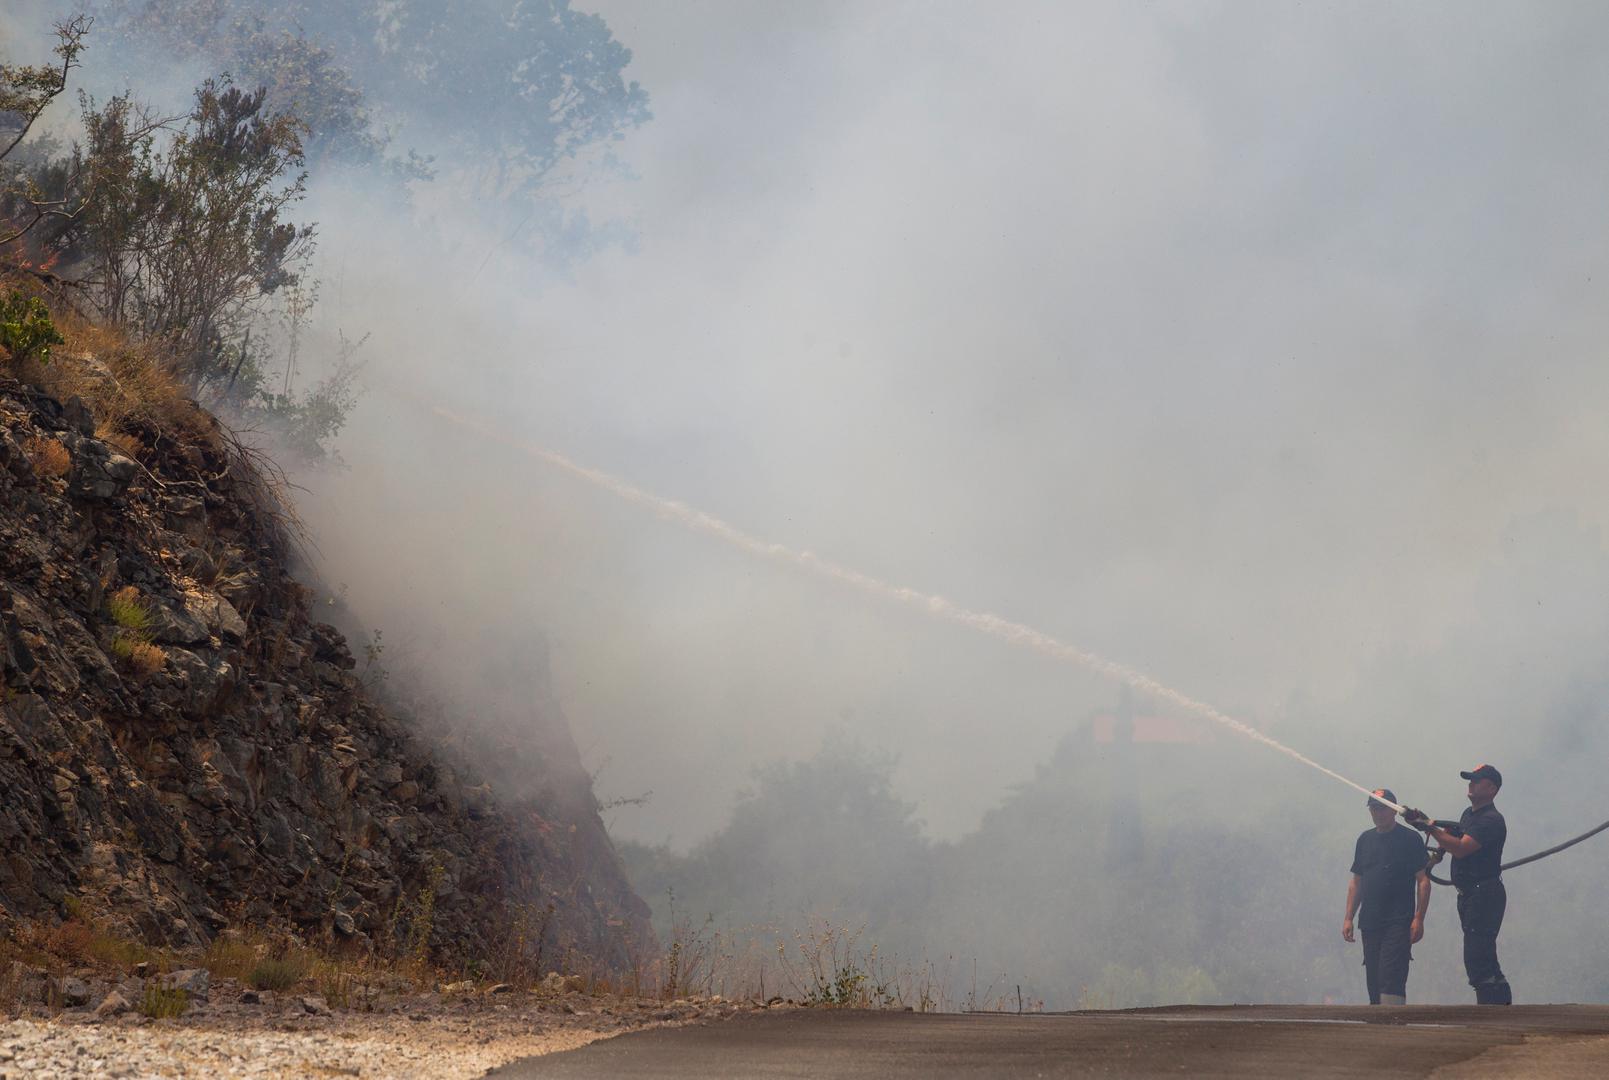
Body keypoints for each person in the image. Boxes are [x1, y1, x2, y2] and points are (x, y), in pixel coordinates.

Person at [1406, 765, 1511, 1005]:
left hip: (1484, 894)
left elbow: (1462, 848)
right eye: (1470, 780)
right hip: (1470, 895)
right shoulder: (1469, 815)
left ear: (1492, 788)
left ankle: (1491, 1011)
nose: (1471, 784)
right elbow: (1456, 838)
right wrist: (1430, 825)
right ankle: (1499, 1008)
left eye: (1477, 780)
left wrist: (1429, 828)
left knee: (1477, 956)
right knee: (1483, 955)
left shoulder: (1491, 820)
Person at [1342, 788, 1431, 1005]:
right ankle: (1376, 1022)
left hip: (1399, 921)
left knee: (1391, 976)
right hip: (1370, 921)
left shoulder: (1410, 839)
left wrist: (1419, 918)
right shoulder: (1365, 840)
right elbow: (1357, 882)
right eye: (1374, 809)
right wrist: (1348, 918)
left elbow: (1423, 881)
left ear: (1394, 811)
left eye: (1383, 808)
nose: (1378, 813)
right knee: (1373, 978)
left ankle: (1394, 1021)